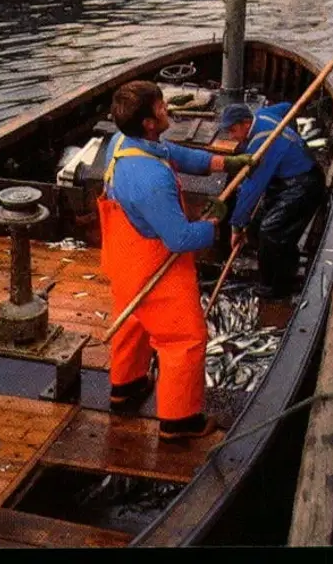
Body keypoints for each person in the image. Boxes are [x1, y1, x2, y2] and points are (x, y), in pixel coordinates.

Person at [98, 81, 252, 442]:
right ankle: (179, 422)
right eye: (162, 107)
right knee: (184, 338)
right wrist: (215, 221)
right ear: (150, 122)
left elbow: (174, 154)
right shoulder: (151, 180)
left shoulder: (123, 143)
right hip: (153, 269)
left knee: (132, 321)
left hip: (121, 259)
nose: (168, 109)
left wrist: (222, 162)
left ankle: (127, 388)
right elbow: (179, 238)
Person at [219, 101, 326, 299]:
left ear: (245, 123)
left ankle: (276, 287)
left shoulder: (261, 144)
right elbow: (287, 107)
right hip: (286, 178)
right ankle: (280, 257)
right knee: (257, 226)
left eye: (233, 131)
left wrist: (236, 226)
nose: (232, 137)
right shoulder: (263, 113)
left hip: (303, 185)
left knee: (271, 232)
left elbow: (252, 188)